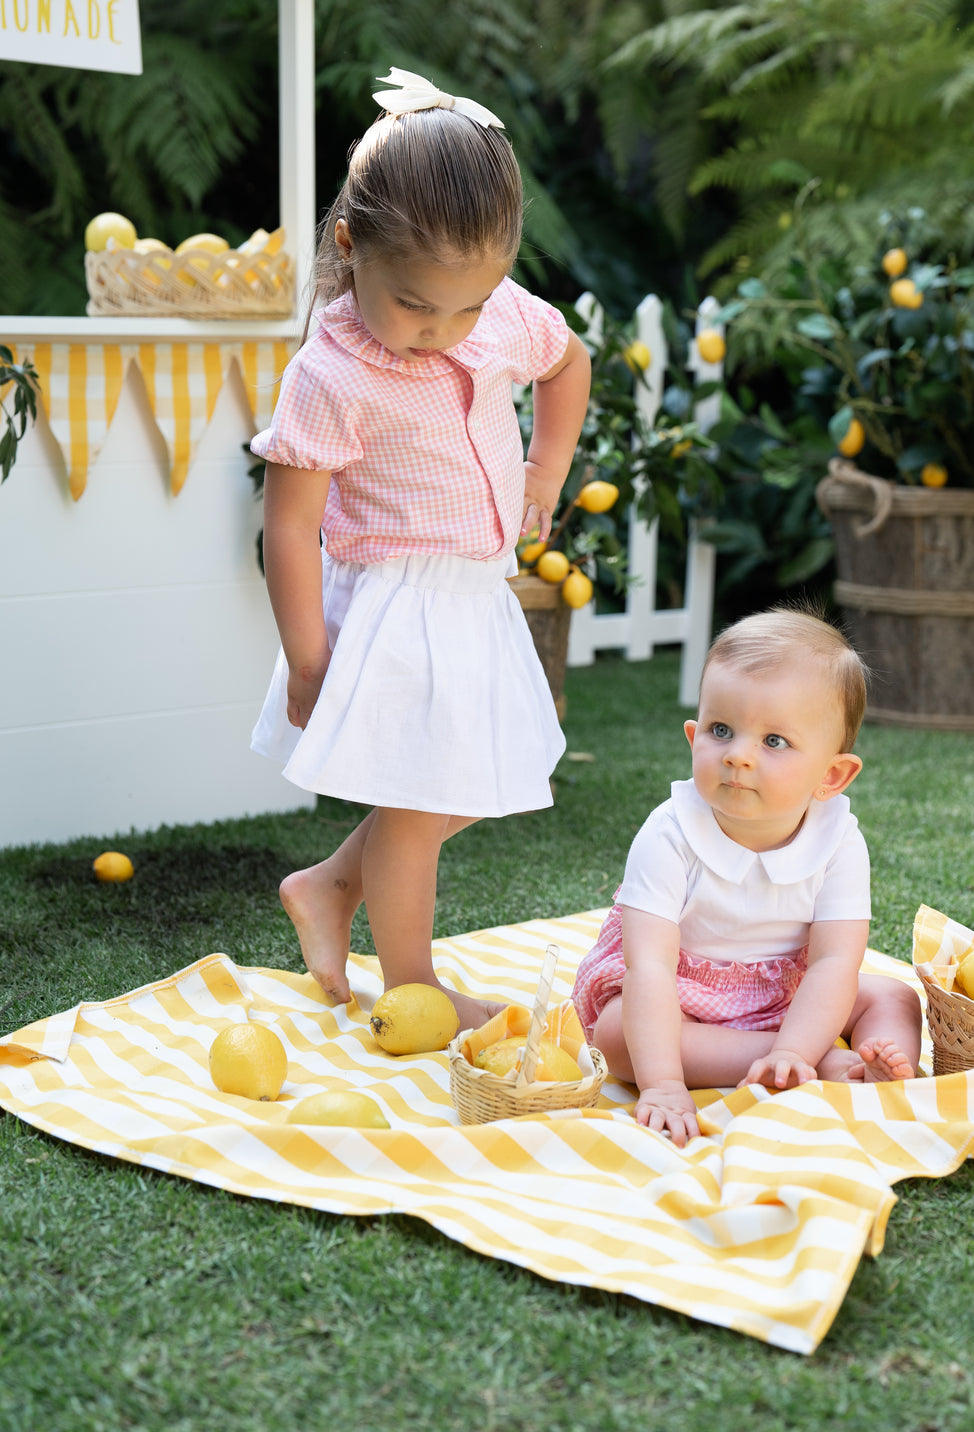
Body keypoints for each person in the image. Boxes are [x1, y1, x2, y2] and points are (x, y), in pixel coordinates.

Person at [250, 68, 591, 1029]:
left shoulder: (499, 315)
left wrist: (546, 470)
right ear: (351, 247)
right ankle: (412, 987)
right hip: (396, 601)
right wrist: (310, 655)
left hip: (475, 592)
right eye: (415, 307)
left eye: (467, 310)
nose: (442, 333)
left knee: (473, 777)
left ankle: (326, 886)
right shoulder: (330, 372)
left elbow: (568, 363)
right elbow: (288, 523)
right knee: (417, 805)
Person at [572, 608, 923, 1145]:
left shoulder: (840, 840)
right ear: (694, 738)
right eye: (721, 730)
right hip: (680, 987)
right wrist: (663, 1083)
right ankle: (816, 1062)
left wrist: (794, 1045)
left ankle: (876, 1072)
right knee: (618, 1038)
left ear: (831, 775)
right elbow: (649, 966)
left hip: (791, 987)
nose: (737, 755)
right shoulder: (671, 831)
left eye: (773, 741)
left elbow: (834, 962)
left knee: (894, 998)